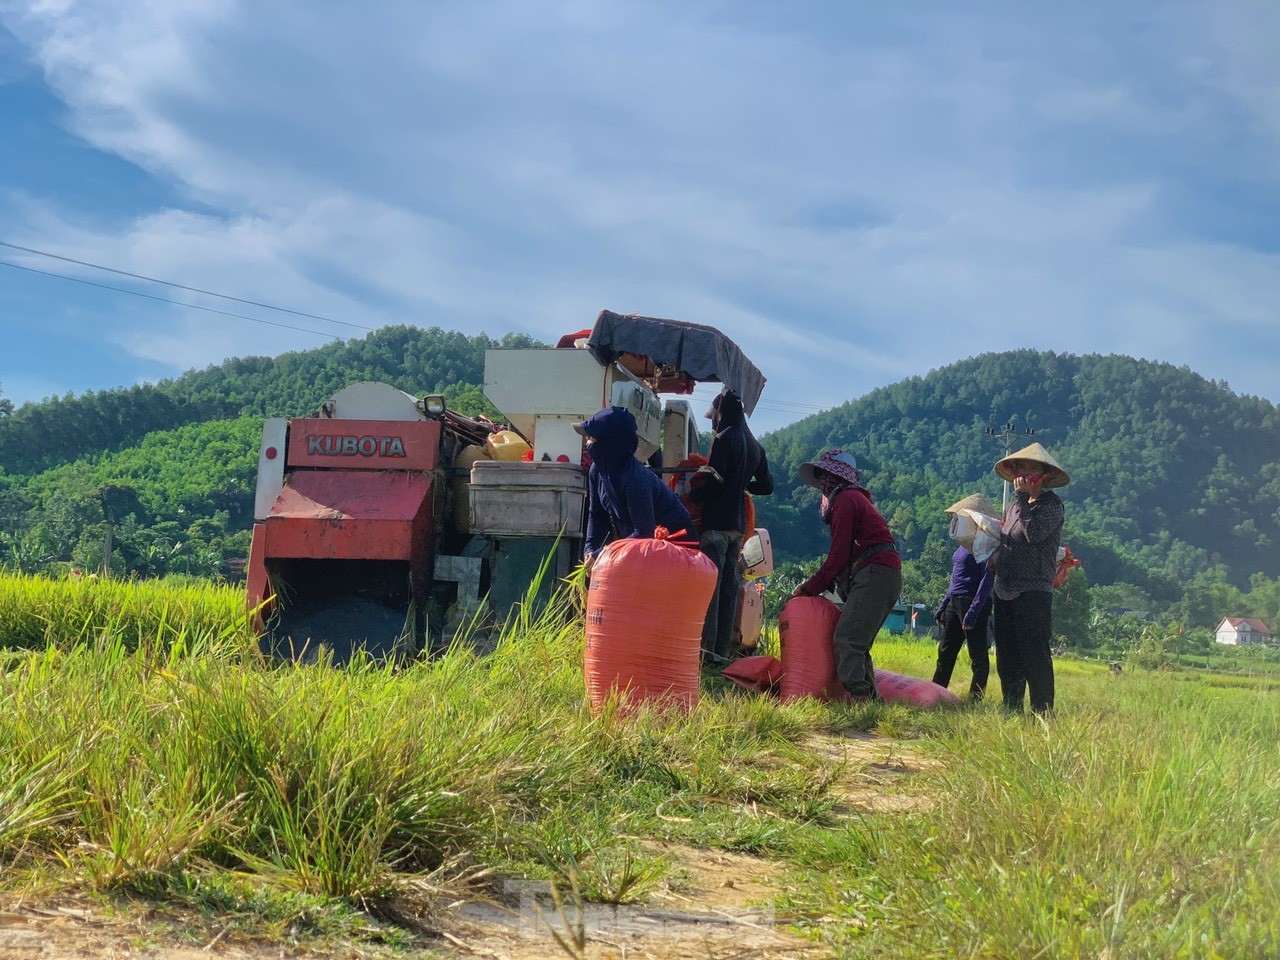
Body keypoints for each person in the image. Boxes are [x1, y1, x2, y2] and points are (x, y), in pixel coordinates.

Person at [790, 449, 901, 701]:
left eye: (823, 476)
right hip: (882, 573)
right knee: (858, 644)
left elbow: (837, 556)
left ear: (834, 477)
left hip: (875, 572)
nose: (821, 484)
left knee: (847, 639)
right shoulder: (854, 499)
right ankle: (871, 702)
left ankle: (860, 700)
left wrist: (808, 589)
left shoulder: (845, 501)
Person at [691, 390, 773, 665]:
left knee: (709, 589)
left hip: (715, 523)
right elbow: (767, 486)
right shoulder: (755, 445)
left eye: (714, 416)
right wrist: (741, 486)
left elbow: (714, 481)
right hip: (738, 527)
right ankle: (722, 653)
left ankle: (705, 651)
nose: (712, 423)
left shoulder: (724, 438)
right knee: (727, 587)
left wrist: (693, 496)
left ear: (722, 411)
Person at [991, 442, 1068, 714]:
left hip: (1033, 591)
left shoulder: (1051, 506)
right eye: (1020, 467)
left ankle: (1042, 712)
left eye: (1030, 468)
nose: (1024, 473)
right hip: (1005, 587)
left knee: (1034, 654)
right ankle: (1011, 708)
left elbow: (1031, 534)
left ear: (1044, 475)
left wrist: (1024, 498)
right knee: (1007, 654)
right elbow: (1007, 538)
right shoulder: (1012, 507)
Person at [577, 406, 693, 571]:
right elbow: (597, 515)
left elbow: (644, 532)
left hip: (675, 542)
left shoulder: (634, 479)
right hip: (645, 544)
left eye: (590, 438)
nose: (587, 442)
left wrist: (603, 553)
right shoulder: (596, 471)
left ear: (607, 442)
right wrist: (590, 550)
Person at [931, 493, 999, 700]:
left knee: (977, 655)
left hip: (974, 604)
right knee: (945, 651)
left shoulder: (986, 547)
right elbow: (955, 579)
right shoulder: (962, 546)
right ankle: (935, 693)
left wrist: (973, 612)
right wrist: (944, 605)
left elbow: (986, 583)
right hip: (955, 602)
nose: (955, 522)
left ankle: (975, 699)